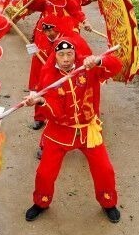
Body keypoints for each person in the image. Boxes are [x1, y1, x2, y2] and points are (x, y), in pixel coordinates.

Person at [23, 39, 124, 223]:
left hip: (88, 131)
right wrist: (40, 101)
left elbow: (116, 66)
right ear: (55, 56)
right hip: (59, 132)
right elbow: (57, 114)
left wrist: (99, 61)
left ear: (75, 54)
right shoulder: (49, 77)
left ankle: (108, 203)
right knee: (45, 173)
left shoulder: (88, 65)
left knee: (105, 170)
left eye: (69, 54)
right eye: (61, 55)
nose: (66, 59)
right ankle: (41, 203)